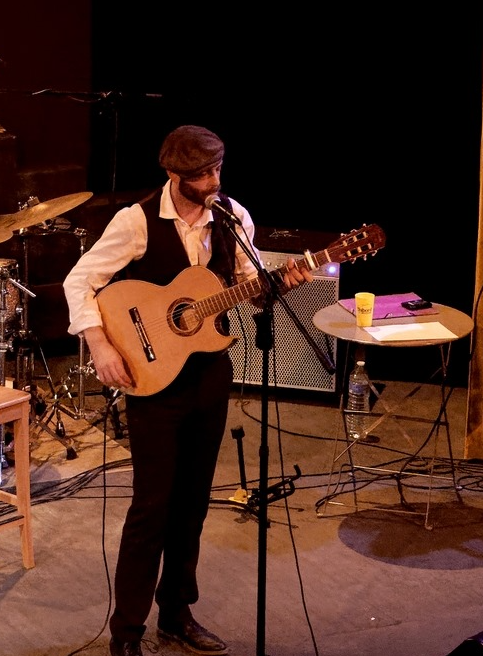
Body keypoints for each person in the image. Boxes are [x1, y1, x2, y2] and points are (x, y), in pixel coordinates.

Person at [63, 125, 309, 656]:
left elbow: (249, 283)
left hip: (207, 374)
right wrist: (102, 346)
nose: (213, 182)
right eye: (201, 175)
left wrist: (278, 285)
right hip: (151, 379)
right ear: (174, 175)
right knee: (152, 505)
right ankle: (126, 632)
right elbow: (78, 281)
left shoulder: (231, 217)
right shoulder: (136, 221)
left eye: (218, 170)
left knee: (194, 503)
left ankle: (176, 613)